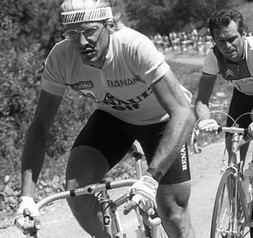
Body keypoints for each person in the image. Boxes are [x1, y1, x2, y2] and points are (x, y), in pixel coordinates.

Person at [15, 0, 196, 237]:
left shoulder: (134, 46)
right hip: (113, 118)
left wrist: (151, 180)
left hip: (161, 121)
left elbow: (183, 112)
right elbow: (40, 126)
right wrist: (26, 196)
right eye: (72, 34)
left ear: (109, 25)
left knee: (173, 215)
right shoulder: (61, 58)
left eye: (89, 31)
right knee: (77, 189)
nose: (81, 42)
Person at [194, 8, 253, 199]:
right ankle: (236, 214)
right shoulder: (213, 57)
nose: (227, 45)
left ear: (243, 34)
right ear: (214, 40)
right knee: (233, 153)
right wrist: (205, 120)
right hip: (243, 93)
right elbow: (202, 99)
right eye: (221, 41)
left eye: (232, 39)